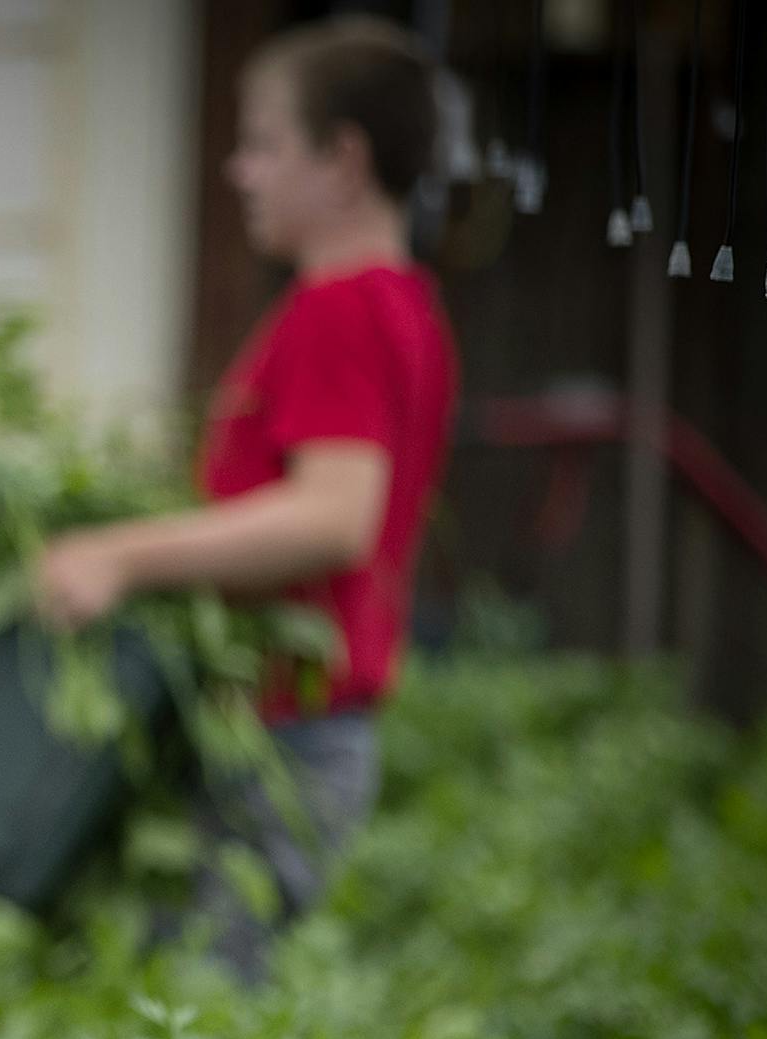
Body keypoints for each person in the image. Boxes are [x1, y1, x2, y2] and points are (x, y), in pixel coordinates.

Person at [32, 15, 458, 982]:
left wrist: (119, 555)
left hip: (288, 738)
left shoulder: (342, 309)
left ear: (343, 161)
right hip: (294, 733)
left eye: (264, 144)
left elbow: (331, 518)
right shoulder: (401, 303)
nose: (240, 171)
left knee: (200, 1013)